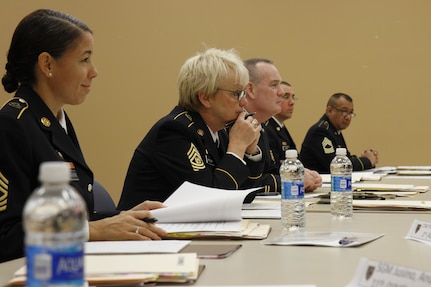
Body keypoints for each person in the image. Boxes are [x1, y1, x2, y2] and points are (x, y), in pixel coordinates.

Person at [0, 9, 166, 263]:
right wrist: (93, 230)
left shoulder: (56, 120)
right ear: (47, 64)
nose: (94, 71)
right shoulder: (12, 125)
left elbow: (72, 218)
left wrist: (121, 218)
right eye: (84, 59)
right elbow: (6, 237)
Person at [117, 48, 263, 210]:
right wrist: (237, 148)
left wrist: (249, 151)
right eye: (236, 94)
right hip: (142, 231)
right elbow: (210, 201)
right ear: (206, 97)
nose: (243, 103)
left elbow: (245, 195)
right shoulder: (174, 131)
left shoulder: (218, 130)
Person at [243, 59, 322, 193]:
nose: (280, 92)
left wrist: (296, 173)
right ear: (251, 90)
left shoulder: (259, 125)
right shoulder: (235, 127)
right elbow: (244, 182)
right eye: (274, 85)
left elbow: (269, 170)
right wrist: (291, 181)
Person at [263, 81, 322, 191]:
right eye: (286, 97)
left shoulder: (280, 128)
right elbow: (272, 168)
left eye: (293, 97)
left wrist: (307, 173)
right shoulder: (266, 128)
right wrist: (297, 177)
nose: (292, 102)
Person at [299, 92, 379, 173]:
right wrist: (367, 161)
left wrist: (364, 158)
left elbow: (346, 159)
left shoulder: (334, 130)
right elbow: (337, 166)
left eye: (350, 113)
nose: (348, 117)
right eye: (344, 111)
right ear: (329, 111)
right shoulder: (320, 132)